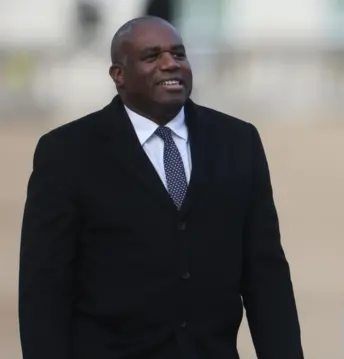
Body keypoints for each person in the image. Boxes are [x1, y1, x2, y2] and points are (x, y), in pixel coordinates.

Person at [19, 16, 304, 359]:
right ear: (118, 75)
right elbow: (44, 288)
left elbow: (266, 275)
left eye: (179, 54)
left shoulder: (238, 141)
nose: (170, 63)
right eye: (152, 56)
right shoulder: (67, 152)